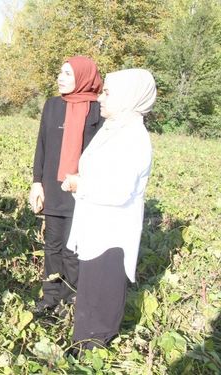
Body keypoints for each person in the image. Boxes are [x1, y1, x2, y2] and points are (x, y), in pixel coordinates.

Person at [61, 69, 157, 352]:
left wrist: (81, 183)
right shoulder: (114, 129)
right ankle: (82, 351)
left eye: (107, 93)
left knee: (99, 305)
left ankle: (89, 355)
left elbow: (118, 191)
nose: (100, 98)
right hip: (97, 229)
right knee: (90, 297)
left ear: (128, 97)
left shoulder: (133, 138)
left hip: (111, 236)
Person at [29, 56, 103, 316]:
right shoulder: (52, 106)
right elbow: (42, 146)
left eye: (68, 74)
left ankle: (70, 298)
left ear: (83, 77)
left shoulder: (99, 110)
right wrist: (37, 183)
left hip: (81, 191)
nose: (61, 78)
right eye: (60, 72)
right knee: (53, 245)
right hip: (53, 186)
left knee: (74, 249)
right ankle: (50, 296)